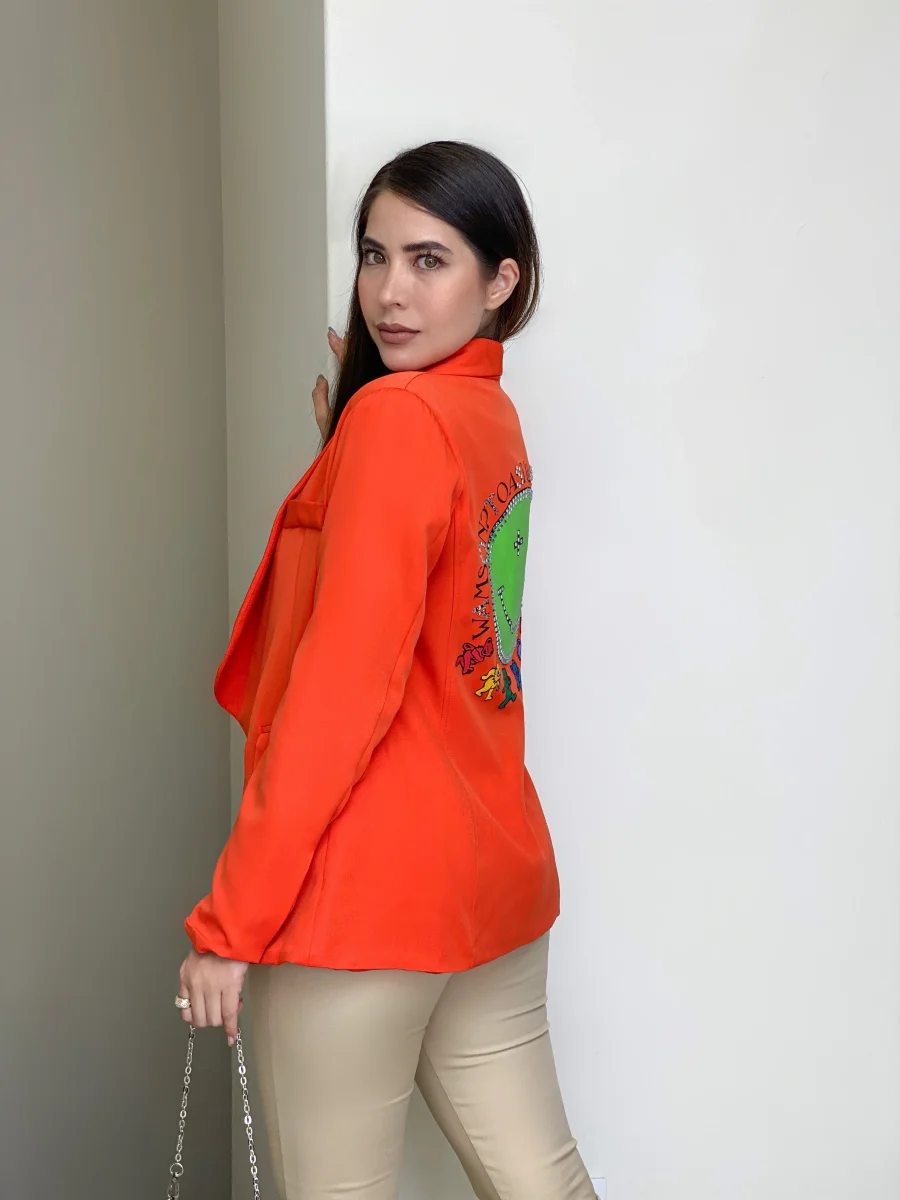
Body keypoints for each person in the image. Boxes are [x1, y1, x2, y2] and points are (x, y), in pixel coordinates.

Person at [176, 140, 595, 1200]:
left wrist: (231, 924)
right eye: (374, 255)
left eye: (429, 259)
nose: (390, 293)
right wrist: (343, 460)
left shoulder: (398, 419)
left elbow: (339, 694)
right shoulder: (484, 415)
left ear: (502, 281)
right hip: (491, 887)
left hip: (364, 906)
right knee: (543, 1185)